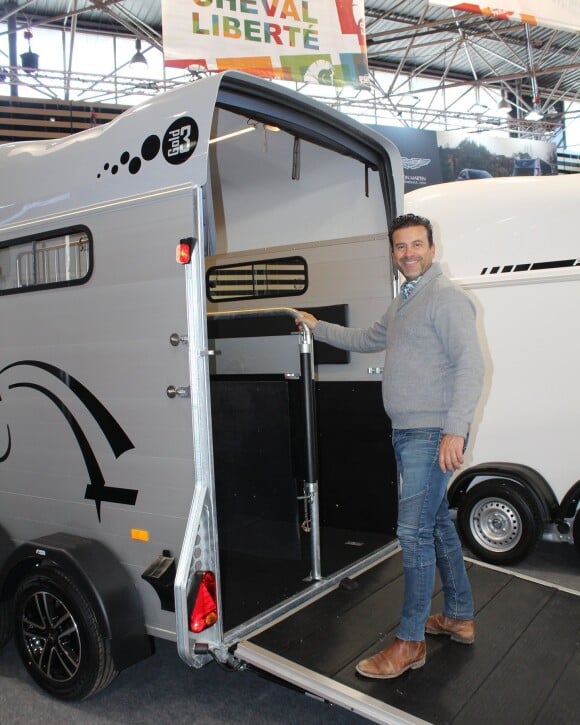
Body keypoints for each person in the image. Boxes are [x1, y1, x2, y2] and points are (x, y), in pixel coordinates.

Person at [295, 212, 484, 679]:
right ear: (394, 254)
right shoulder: (405, 301)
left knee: (413, 535)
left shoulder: (445, 298)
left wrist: (455, 430)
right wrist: (316, 326)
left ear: (432, 249)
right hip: (409, 434)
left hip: (431, 436)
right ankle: (459, 616)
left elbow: (471, 367)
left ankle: (410, 641)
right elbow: (366, 338)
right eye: (401, 247)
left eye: (417, 244)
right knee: (435, 524)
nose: (409, 253)